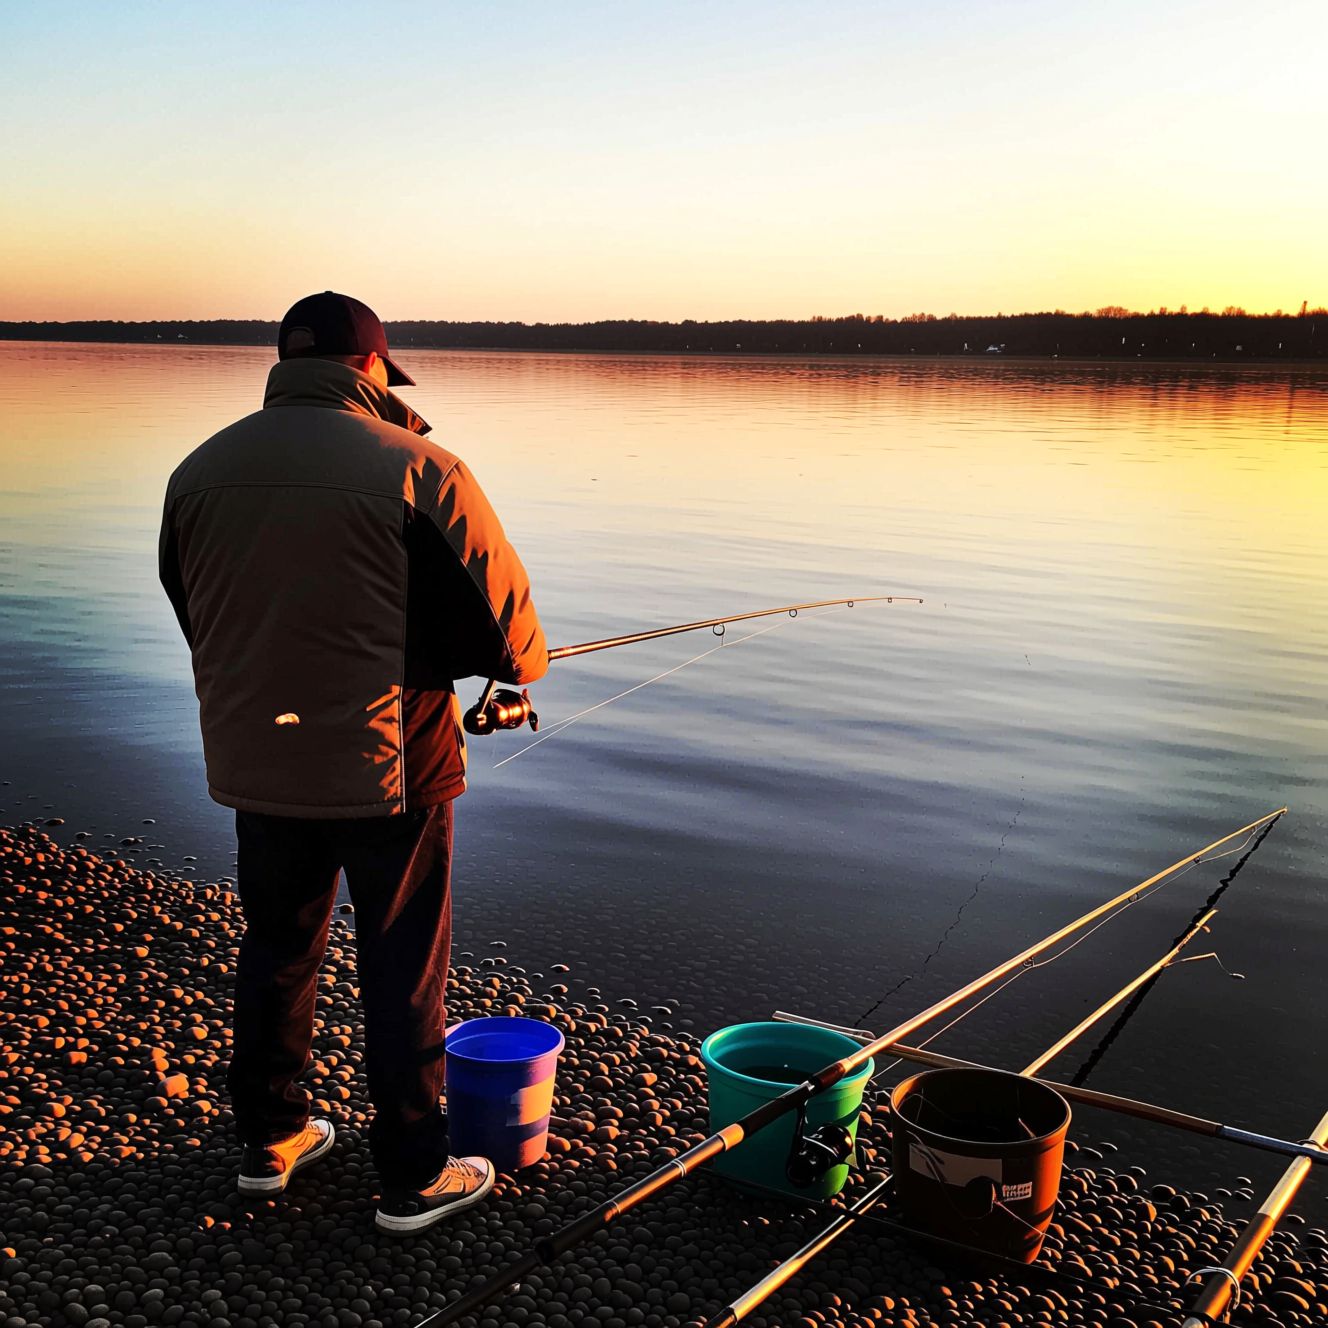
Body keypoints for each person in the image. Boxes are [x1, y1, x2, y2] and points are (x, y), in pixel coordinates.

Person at [158, 292, 548, 1233]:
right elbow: (515, 645)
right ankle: (414, 1173)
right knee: (402, 962)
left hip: (260, 758)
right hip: (393, 767)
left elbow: (192, 603)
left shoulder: (198, 469)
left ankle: (270, 1139)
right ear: (373, 370)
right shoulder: (422, 468)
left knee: (279, 946)